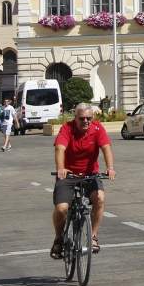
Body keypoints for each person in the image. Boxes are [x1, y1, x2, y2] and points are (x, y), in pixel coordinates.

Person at [51, 103, 114, 258]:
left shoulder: (97, 128)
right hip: (68, 175)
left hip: (90, 174)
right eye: (82, 118)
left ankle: (93, 236)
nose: (86, 121)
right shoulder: (67, 128)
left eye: (89, 118)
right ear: (75, 118)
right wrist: (61, 168)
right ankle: (59, 238)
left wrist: (110, 167)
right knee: (61, 208)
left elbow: (106, 148)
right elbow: (60, 148)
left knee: (99, 198)